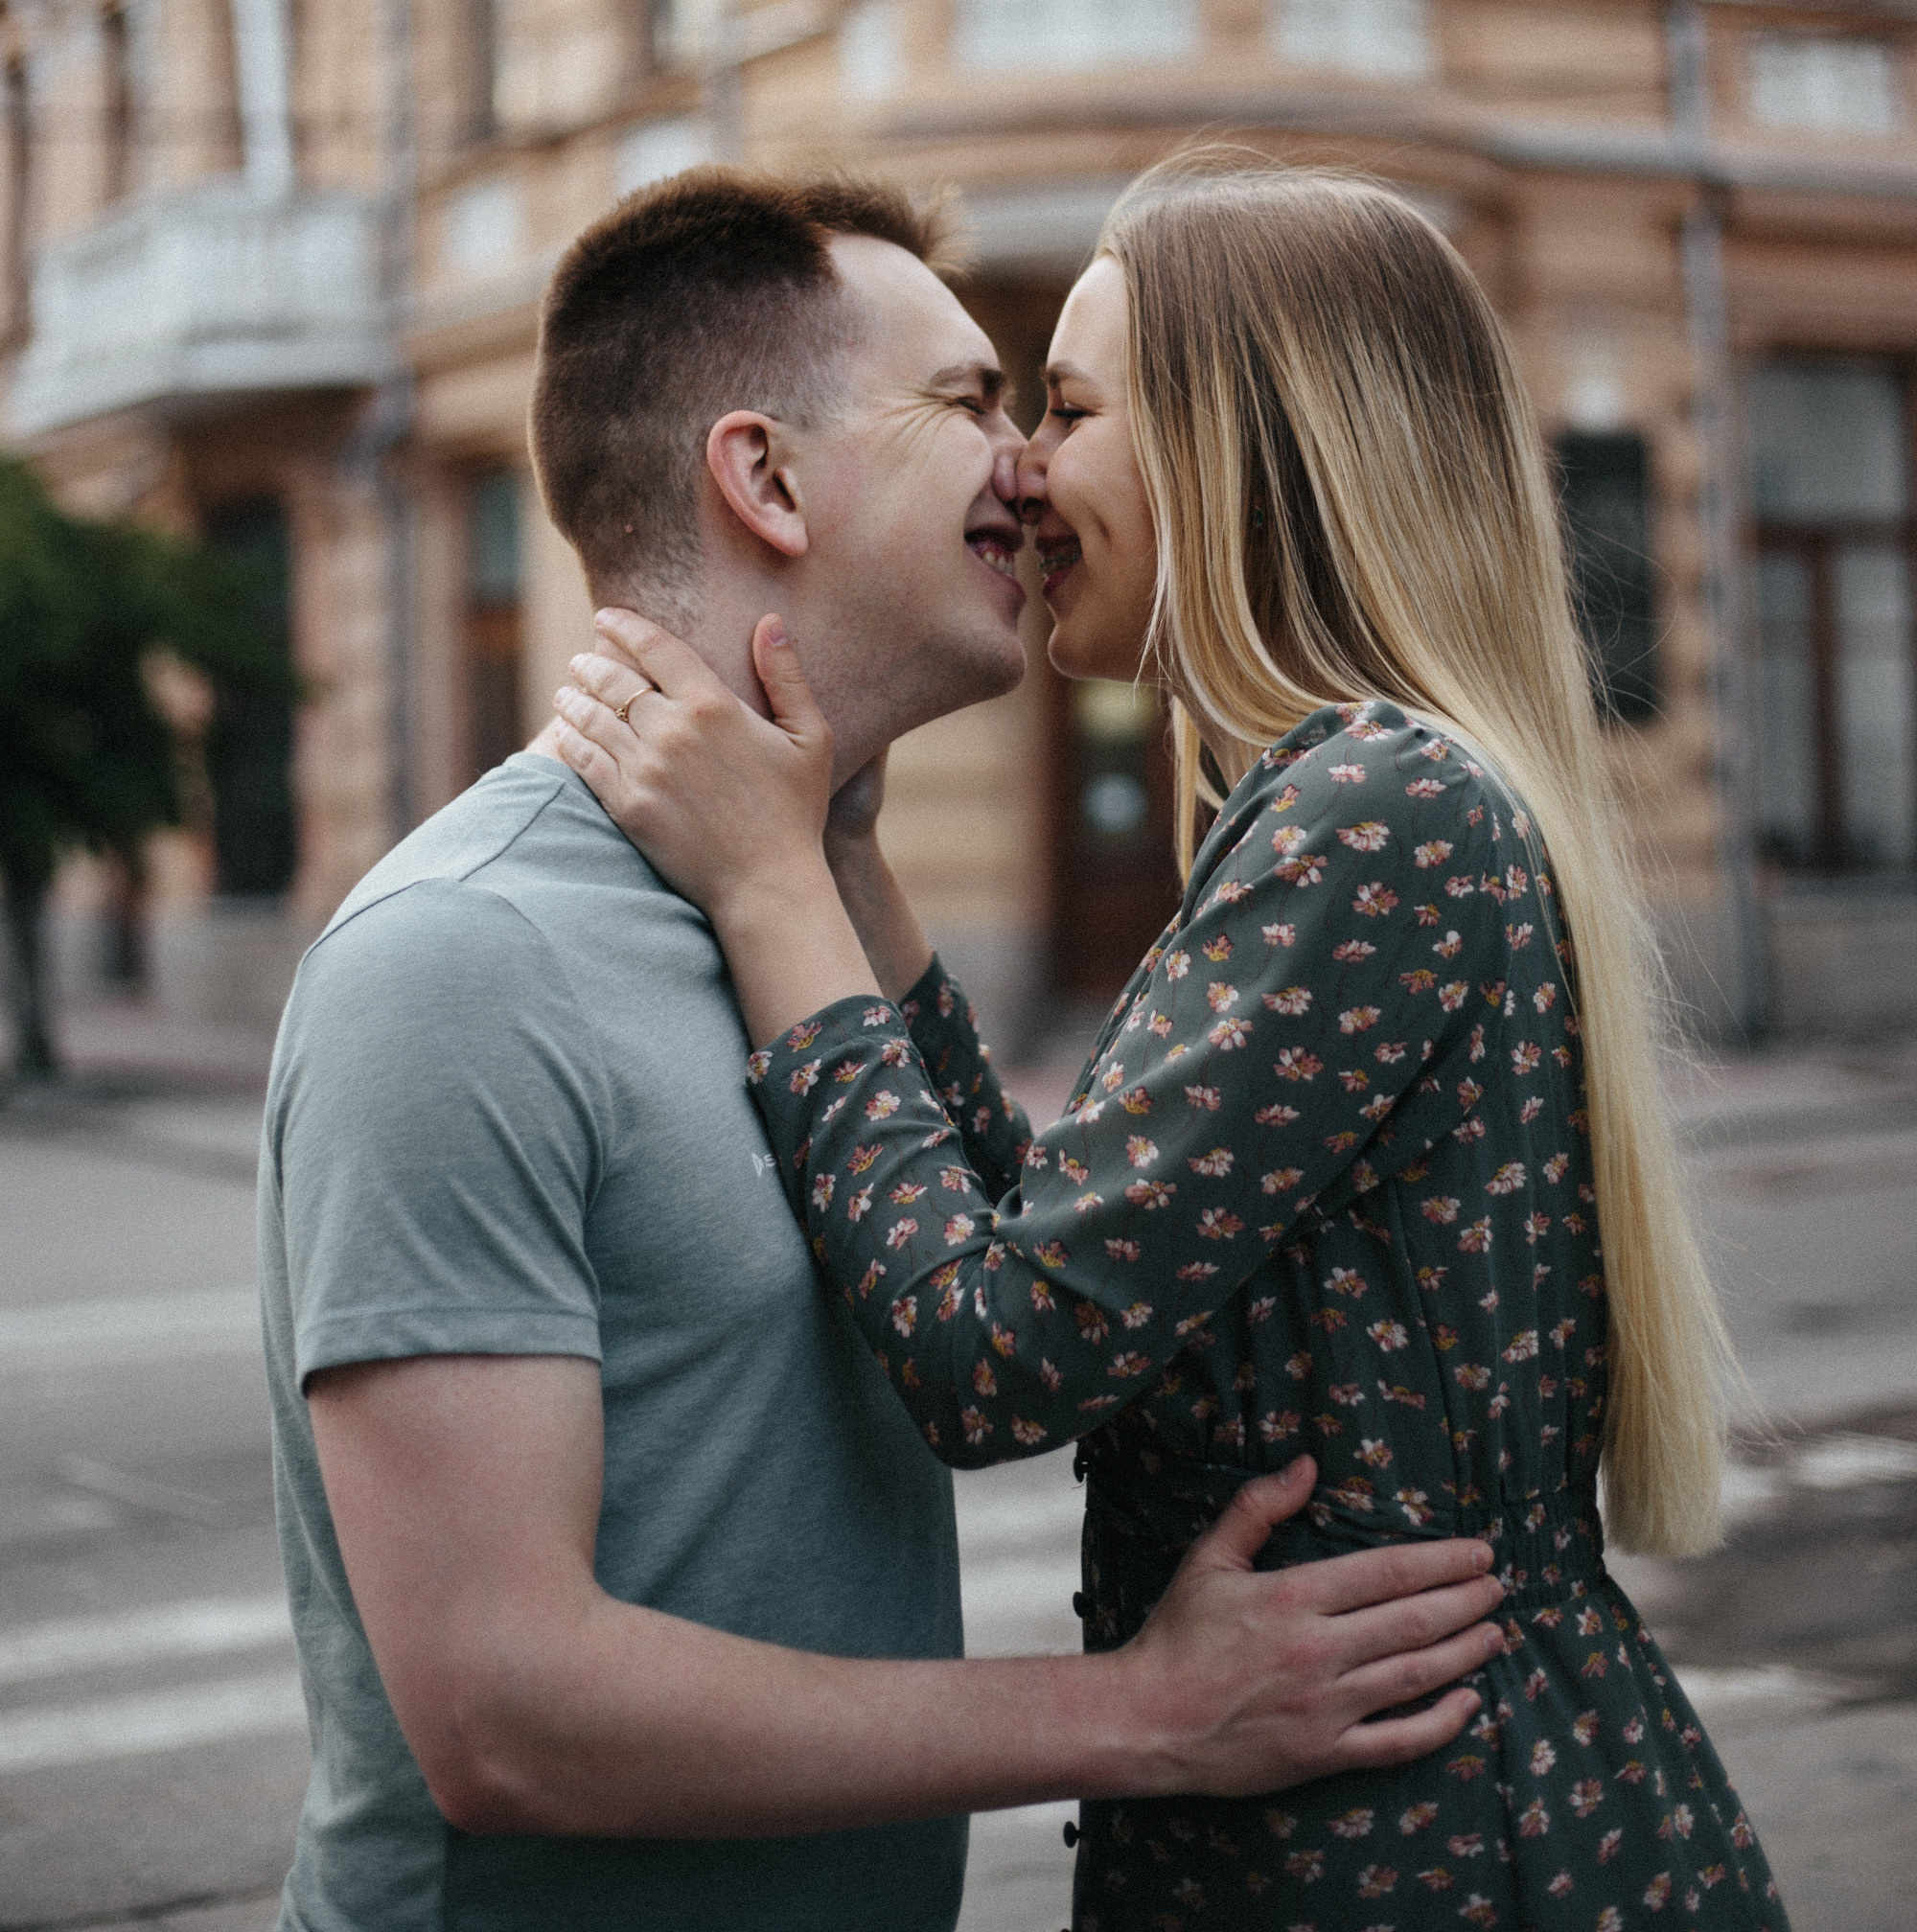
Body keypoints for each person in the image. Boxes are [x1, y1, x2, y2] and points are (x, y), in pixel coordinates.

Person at [258, 166, 1506, 1932]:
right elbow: (503, 1717)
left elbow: (1028, 1302)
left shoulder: (808, 922)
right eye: (980, 402)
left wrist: (828, 854)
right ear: (762, 475)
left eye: (1051, 410)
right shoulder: (464, 959)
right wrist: (1140, 1717)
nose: (1031, 467)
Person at [553, 154, 1791, 1930]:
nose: (1027, 474)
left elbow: (1000, 1354)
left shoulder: (1372, 807)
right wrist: (844, 860)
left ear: (1242, 446)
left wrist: (766, 894)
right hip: (1414, 1814)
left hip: (1418, 1848)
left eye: (1063, 408)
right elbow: (1074, 1256)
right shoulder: (1362, 791)